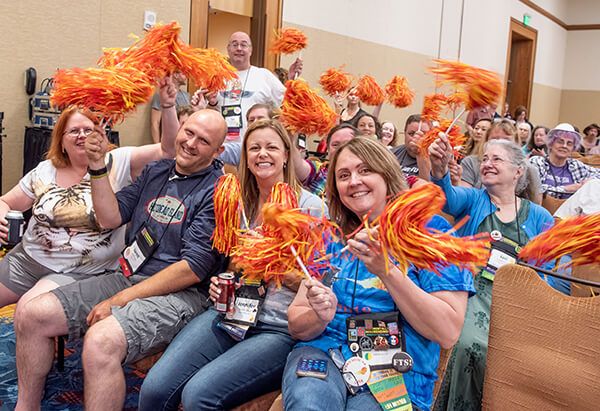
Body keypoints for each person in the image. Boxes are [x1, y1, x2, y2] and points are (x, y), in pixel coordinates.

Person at [13, 109, 229, 411]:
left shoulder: (219, 191)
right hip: (130, 276)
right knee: (32, 314)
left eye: (203, 141)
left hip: (181, 294)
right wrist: (98, 166)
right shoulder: (156, 171)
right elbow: (109, 218)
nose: (191, 143)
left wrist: (120, 299)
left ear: (218, 150)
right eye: (188, 132)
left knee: (100, 341)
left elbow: (192, 269)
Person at [138, 119, 326, 410]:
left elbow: (318, 285)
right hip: (231, 313)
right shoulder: (236, 203)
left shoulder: (310, 207)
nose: (262, 154)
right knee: (154, 389)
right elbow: (232, 266)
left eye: (271, 147)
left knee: (198, 395)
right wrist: (221, 281)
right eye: (254, 148)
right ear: (245, 158)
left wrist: (268, 262)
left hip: (277, 328)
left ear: (286, 155)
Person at [281, 137, 474, 411]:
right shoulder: (330, 237)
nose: (354, 181)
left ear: (387, 175)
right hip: (325, 352)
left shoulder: (431, 231)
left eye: (365, 170)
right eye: (343, 175)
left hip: (394, 367)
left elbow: (447, 332)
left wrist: (388, 271)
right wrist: (318, 316)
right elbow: (296, 325)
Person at [0, 76, 180, 312]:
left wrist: (167, 106)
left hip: (81, 270)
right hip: (27, 259)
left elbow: (169, 150)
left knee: (30, 307)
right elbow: (6, 201)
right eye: (74, 131)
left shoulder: (120, 161)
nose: (82, 135)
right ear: (61, 141)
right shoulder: (46, 169)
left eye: (89, 129)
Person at [428, 136, 566, 411]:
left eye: (496, 159)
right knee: (469, 345)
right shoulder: (474, 199)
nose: (487, 164)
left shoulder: (539, 216)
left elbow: (548, 272)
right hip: (471, 291)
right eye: (485, 159)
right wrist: (440, 170)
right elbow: (446, 198)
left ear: (517, 171)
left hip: (517, 299)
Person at [205, 32, 302, 142]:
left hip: (255, 147)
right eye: (234, 44)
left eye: (244, 44)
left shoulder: (264, 75)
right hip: (221, 147)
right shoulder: (215, 77)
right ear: (228, 49)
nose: (239, 48)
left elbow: (288, 104)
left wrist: (291, 79)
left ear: (250, 50)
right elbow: (203, 112)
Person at [529, 123, 600, 199]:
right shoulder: (537, 162)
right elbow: (533, 189)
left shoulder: (575, 165)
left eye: (569, 143)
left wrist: (591, 180)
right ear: (551, 144)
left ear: (573, 148)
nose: (564, 146)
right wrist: (566, 189)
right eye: (560, 141)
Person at [291, 123, 360, 196]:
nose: (341, 148)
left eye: (347, 143)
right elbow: (298, 165)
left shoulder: (366, 175)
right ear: (328, 149)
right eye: (335, 145)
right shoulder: (319, 171)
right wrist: (290, 139)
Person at [458, 119, 521, 189]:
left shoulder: (524, 168)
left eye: (506, 141)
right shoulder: (471, 163)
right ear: (486, 140)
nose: (500, 144)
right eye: (495, 140)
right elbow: (465, 195)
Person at [151, 70, 190, 143]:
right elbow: (155, 123)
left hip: (185, 141)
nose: (187, 77)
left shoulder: (186, 96)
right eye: (185, 74)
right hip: (169, 141)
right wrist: (158, 146)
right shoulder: (161, 95)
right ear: (176, 75)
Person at [391, 114, 432, 181]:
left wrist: (420, 152)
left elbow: (428, 185)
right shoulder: (392, 153)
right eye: (411, 134)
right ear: (404, 134)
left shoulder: (436, 159)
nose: (416, 137)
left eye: (423, 134)